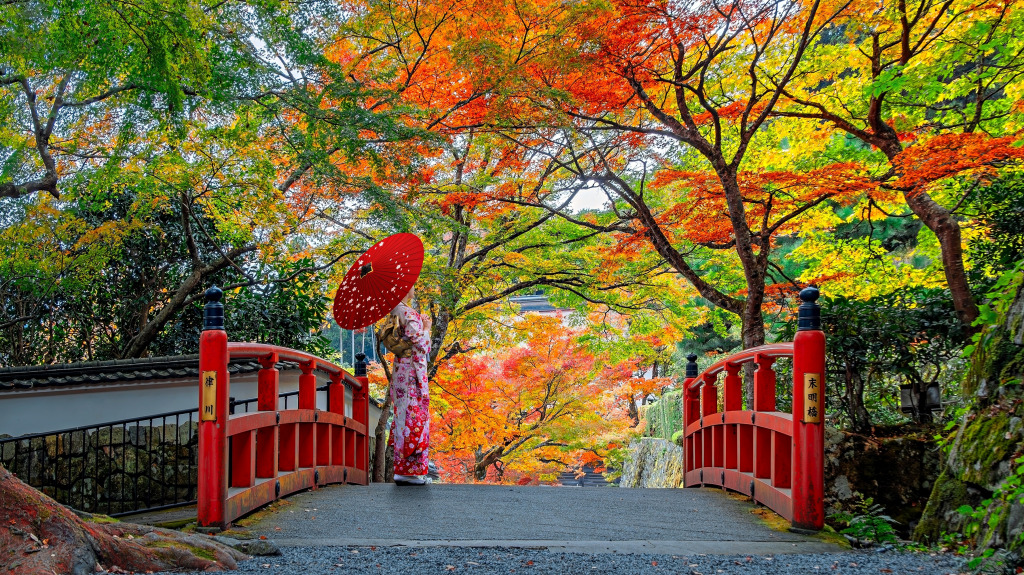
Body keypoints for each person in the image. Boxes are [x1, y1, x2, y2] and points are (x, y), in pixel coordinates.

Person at [387, 286, 431, 486]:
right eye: (412, 284)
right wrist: (427, 328)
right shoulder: (407, 312)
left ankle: (402, 470)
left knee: (403, 416)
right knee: (414, 417)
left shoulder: (394, 310)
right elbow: (421, 344)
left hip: (400, 371)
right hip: (412, 373)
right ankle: (408, 472)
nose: (414, 287)